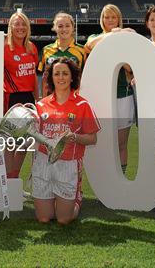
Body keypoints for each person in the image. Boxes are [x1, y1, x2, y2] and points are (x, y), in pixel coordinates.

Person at [33, 57, 100, 224]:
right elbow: (33, 134)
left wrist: (74, 137)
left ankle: (76, 199)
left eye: (65, 73)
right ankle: (56, 199)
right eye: (57, 74)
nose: (61, 77)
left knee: (64, 219)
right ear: (51, 78)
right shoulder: (41, 105)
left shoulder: (82, 105)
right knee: (44, 218)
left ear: (72, 77)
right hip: (43, 161)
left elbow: (92, 138)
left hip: (68, 163)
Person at [84, 4, 134, 174]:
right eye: (107, 17)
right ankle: (106, 178)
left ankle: (121, 177)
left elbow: (129, 68)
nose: (110, 20)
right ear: (102, 20)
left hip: (123, 95)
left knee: (121, 143)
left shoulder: (127, 36)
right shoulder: (96, 36)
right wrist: (113, 36)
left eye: (113, 17)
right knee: (103, 142)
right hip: (102, 97)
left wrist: (122, 37)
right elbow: (89, 45)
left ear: (119, 18)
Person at [4, 11, 39, 178]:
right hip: (13, 99)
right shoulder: (3, 48)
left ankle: (14, 178)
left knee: (26, 143)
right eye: (16, 24)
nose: (20, 27)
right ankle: (8, 182)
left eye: (23, 24)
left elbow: (33, 77)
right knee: (10, 143)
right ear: (10, 27)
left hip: (29, 99)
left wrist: (37, 99)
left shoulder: (32, 47)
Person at [38, 12, 85, 97]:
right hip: (51, 101)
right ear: (55, 28)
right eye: (60, 26)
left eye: (67, 26)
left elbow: (83, 77)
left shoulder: (82, 50)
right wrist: (43, 100)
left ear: (73, 28)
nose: (64, 29)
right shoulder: (46, 50)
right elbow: (44, 79)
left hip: (73, 99)